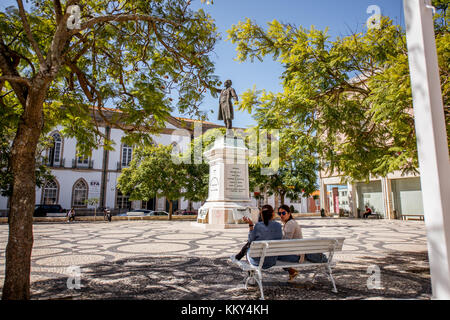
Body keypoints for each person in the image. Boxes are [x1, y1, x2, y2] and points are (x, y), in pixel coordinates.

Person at [242, 204, 283, 269]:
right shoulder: (278, 226)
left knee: (248, 249)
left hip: (257, 262)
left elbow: (250, 240)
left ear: (262, 215)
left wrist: (251, 225)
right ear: (273, 214)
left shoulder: (258, 225)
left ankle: (250, 272)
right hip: (272, 261)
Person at [277, 205, 304, 281]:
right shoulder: (290, 222)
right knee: (274, 253)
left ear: (289, 213)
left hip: (296, 256)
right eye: (279, 214)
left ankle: (292, 271)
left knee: (273, 255)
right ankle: (291, 271)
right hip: (295, 253)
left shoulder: (290, 224)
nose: (281, 215)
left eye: (283, 213)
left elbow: (286, 241)